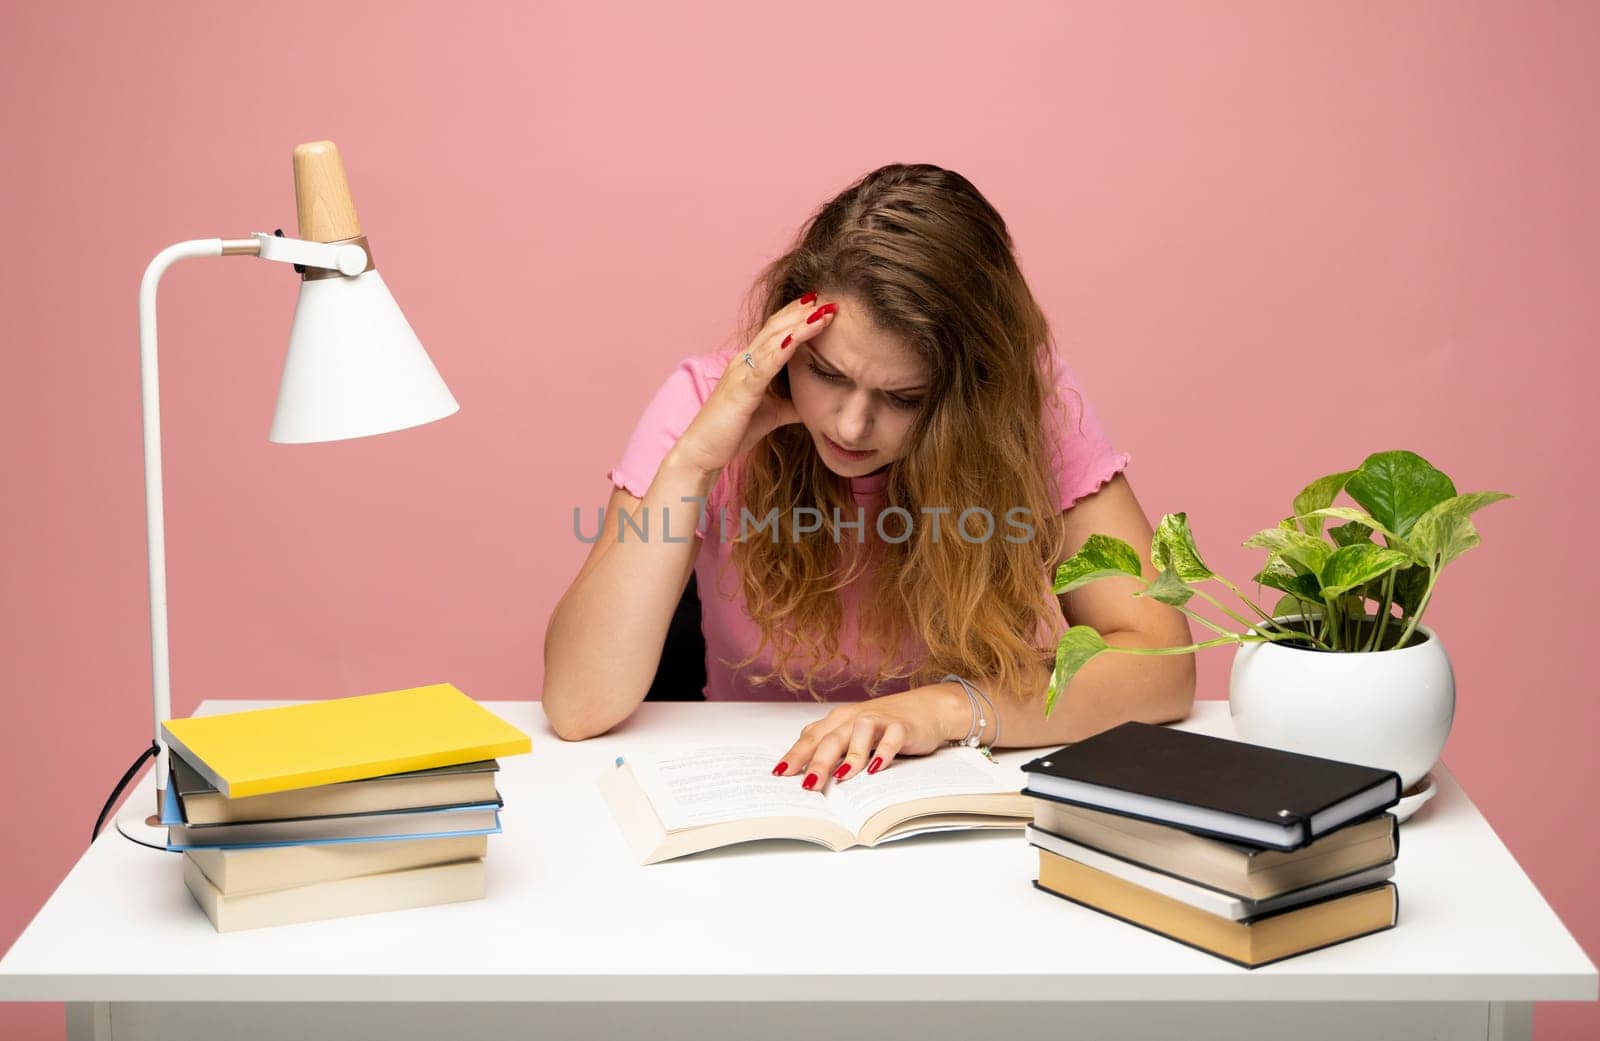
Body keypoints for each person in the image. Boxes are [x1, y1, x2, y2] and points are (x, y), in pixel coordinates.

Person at [541, 163, 1193, 789]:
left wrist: (936, 711)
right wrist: (693, 462)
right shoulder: (712, 399)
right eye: (826, 374)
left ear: (969, 395)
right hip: (757, 789)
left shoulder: (1026, 411)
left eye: (905, 397)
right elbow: (576, 704)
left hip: (949, 794)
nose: (851, 426)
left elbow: (1162, 667)